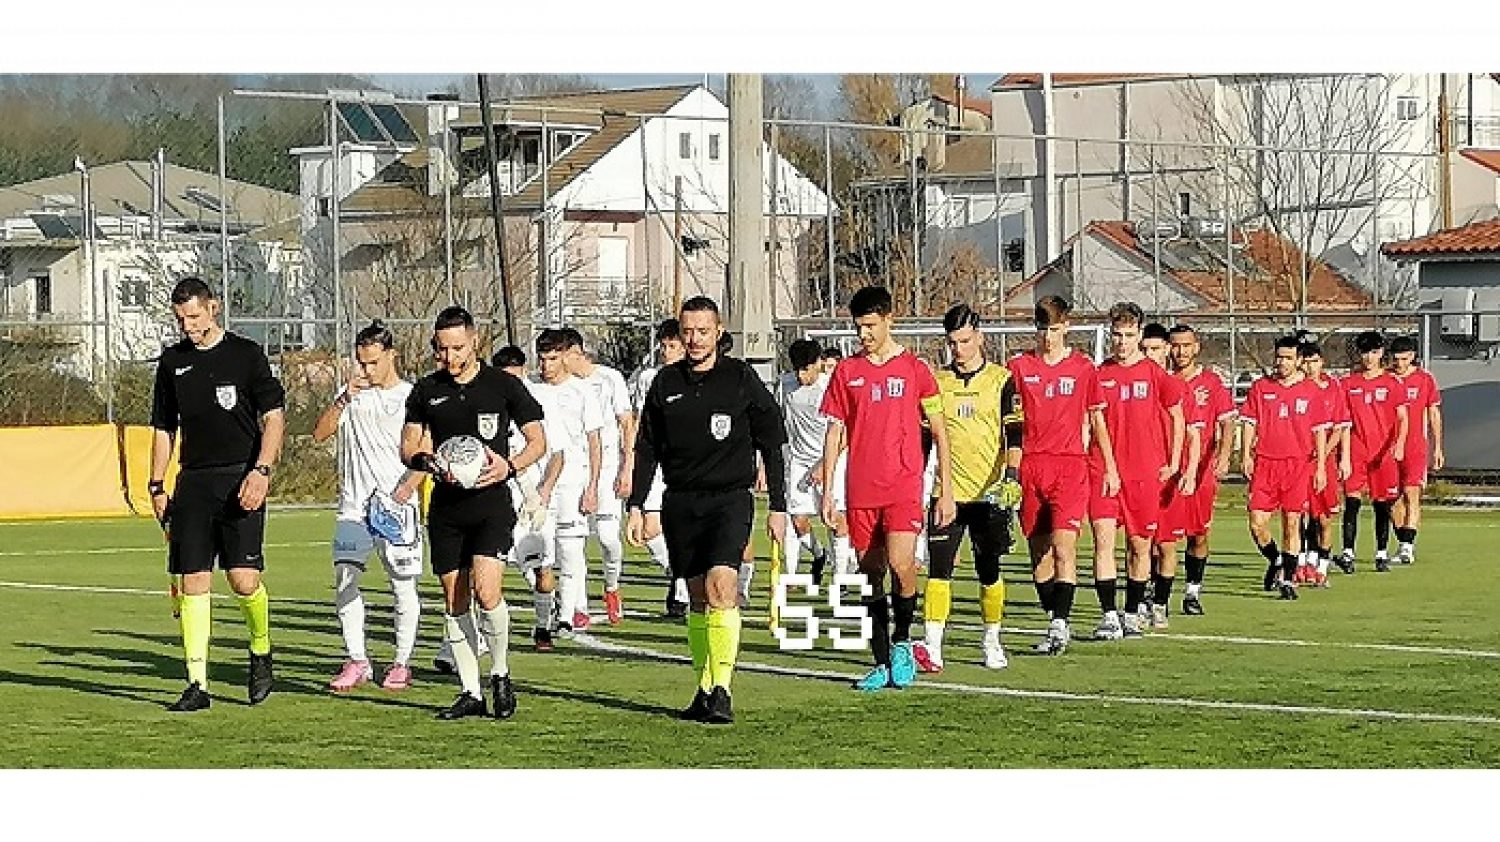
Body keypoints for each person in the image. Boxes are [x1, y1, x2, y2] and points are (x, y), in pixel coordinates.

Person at [625, 295, 788, 724]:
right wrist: (637, 504)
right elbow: (647, 447)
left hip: (729, 500)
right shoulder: (665, 382)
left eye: (703, 331)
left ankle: (723, 690)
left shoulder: (740, 378)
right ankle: (704, 687)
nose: (695, 339)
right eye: (688, 332)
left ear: (718, 333)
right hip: (681, 501)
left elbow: (772, 439)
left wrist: (779, 505)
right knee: (698, 597)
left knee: (721, 587)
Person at [148, 277, 286, 712]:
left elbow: (274, 418)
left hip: (241, 477)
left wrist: (262, 471)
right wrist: (157, 484)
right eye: (180, 319)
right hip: (193, 482)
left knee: (243, 580)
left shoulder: (246, 355)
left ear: (214, 308)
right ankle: (197, 684)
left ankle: (261, 647)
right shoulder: (173, 362)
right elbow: (164, 428)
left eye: (194, 316)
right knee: (193, 579)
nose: (187, 326)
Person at [402, 306, 546, 720]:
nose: (449, 357)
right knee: (455, 599)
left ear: (474, 342)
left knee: (487, 590)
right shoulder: (426, 390)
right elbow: (408, 447)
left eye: (457, 348)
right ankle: (470, 691)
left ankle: (500, 673)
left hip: (491, 505)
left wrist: (509, 466)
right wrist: (428, 461)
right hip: (446, 508)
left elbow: (538, 441)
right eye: (442, 349)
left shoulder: (503, 386)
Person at [819, 286, 955, 692]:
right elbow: (835, 432)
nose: (864, 334)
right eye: (858, 327)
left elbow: (940, 432)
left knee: (901, 564)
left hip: (903, 485)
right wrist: (828, 492)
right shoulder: (847, 372)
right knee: (871, 573)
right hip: (860, 489)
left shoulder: (915, 370)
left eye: (870, 326)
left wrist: (946, 489)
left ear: (889, 320)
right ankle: (880, 660)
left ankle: (902, 641)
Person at [312, 320, 427, 692]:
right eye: (361, 362)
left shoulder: (413, 396)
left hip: (397, 508)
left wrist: (408, 486)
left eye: (373, 362)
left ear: (392, 355)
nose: (367, 370)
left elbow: (427, 449)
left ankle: (401, 663)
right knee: (345, 579)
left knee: (402, 587)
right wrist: (343, 398)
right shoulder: (351, 395)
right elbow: (320, 433)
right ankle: (357, 659)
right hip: (354, 508)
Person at [911, 304, 1021, 673]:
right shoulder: (937, 382)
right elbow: (924, 439)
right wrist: (916, 482)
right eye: (953, 342)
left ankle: (991, 639)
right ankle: (932, 646)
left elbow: (1015, 435)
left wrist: (1012, 477)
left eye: (965, 341)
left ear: (980, 337)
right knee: (939, 569)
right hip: (947, 494)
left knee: (988, 570)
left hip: (989, 494)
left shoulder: (1002, 380)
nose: (959, 349)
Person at [1009, 295, 1118, 655]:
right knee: (1039, 556)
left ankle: (1059, 624)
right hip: (1031, 467)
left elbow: (1097, 420)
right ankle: (1055, 615)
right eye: (1042, 329)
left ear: (1066, 327)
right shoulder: (1019, 367)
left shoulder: (1083, 369)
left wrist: (1110, 467)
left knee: (1063, 547)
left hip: (1070, 467)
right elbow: (1007, 423)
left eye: (1054, 329)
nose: (1048, 336)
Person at [1087, 304, 1185, 639]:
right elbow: (1093, 422)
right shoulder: (1099, 375)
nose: (1122, 342)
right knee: (1103, 542)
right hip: (1103, 470)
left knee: (1139, 547)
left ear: (1139, 335)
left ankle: (1131, 613)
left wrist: (1174, 461)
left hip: (1144, 473)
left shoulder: (1155, 374)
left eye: (1129, 335)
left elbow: (1178, 416)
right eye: (1117, 335)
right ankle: (1108, 615)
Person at [527, 331, 605, 641]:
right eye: (542, 359)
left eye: (552, 359)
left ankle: (566, 617)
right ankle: (544, 615)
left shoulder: (582, 391)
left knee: (570, 552)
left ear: (564, 357)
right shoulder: (530, 390)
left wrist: (593, 486)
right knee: (540, 554)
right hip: (539, 484)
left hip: (573, 482)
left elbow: (594, 441)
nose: (546, 365)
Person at [1240, 335, 1332, 600]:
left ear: (1299, 360)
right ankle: (1277, 559)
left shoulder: (1311, 390)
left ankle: (1289, 580)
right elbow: (1249, 423)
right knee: (1257, 523)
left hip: (1298, 465)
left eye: (1288, 358)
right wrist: (1246, 455)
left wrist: (1321, 467)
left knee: (1292, 523)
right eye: (1279, 357)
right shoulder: (1261, 388)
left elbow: (1320, 431)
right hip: (1265, 464)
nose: (1282, 362)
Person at [561, 328, 635, 625]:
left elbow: (626, 423)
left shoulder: (609, 378)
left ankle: (612, 586)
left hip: (607, 469)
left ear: (576, 354)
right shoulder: (559, 386)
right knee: (573, 542)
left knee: (607, 538)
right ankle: (579, 606)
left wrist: (627, 466)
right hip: (574, 471)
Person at [1166, 324, 1237, 615]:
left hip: (1200, 469)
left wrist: (1224, 456)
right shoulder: (1162, 380)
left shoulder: (1211, 382)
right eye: (1175, 345)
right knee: (1161, 537)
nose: (1180, 351)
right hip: (1166, 467)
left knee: (1198, 534)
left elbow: (1227, 421)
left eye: (1186, 345)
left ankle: (1192, 591)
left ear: (1196, 347)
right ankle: (1155, 592)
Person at [630, 319, 691, 616]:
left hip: (684, 464)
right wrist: (630, 459)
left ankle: (682, 590)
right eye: (664, 346)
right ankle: (682, 578)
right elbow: (639, 422)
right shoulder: (649, 378)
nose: (666, 351)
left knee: (683, 529)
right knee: (648, 530)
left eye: (672, 346)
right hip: (655, 463)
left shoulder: (694, 378)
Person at [1141, 321, 1197, 628]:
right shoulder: (1134, 384)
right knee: (1140, 543)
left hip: (1168, 477)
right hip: (1140, 475)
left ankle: (1161, 602)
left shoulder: (1176, 387)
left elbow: (1193, 433)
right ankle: (1141, 599)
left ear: (1166, 350)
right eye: (1145, 349)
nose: (1149, 355)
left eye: (1155, 349)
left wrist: (1187, 469)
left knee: (1166, 544)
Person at [1338, 331, 1408, 574]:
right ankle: (1348, 553)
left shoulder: (1392, 383)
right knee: (1352, 502)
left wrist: (1399, 444)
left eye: (1374, 352)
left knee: (1382, 504)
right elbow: (1343, 422)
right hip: (1357, 450)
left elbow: (1403, 417)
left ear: (1381, 353)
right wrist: (1344, 455)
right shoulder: (1348, 384)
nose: (1369, 357)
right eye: (1365, 352)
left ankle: (1381, 553)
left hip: (1383, 453)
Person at [777, 338, 835, 582]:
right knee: (797, 521)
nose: (801, 376)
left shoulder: (830, 387)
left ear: (819, 364)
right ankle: (816, 556)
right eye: (797, 369)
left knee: (834, 520)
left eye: (806, 369)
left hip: (830, 460)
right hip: (798, 461)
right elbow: (778, 424)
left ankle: (841, 578)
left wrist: (824, 464)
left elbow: (844, 431)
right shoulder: (785, 385)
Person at [1297, 340, 1350, 588]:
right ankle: (1300, 565)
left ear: (1322, 362)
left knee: (1324, 518)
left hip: (1323, 462)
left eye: (1314, 362)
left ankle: (1322, 567)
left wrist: (1326, 455)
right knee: (1297, 515)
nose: (1310, 367)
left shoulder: (1333, 388)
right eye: (1306, 362)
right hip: (1298, 463)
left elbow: (1340, 427)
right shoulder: (1296, 388)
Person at [1389, 335, 1444, 565]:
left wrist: (1438, 447)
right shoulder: (1387, 378)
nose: (1399, 363)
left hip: (1415, 447)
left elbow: (1433, 414)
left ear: (1412, 356)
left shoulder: (1424, 379)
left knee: (1412, 494)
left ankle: (1407, 547)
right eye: (1396, 359)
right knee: (1392, 500)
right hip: (1389, 449)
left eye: (1404, 359)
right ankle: (1403, 541)